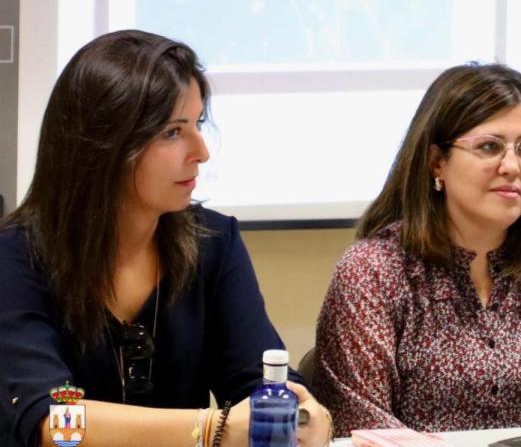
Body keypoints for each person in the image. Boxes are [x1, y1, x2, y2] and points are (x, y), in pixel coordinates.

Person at [0, 30, 332, 447]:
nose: (201, 151)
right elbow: (52, 422)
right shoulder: (16, 256)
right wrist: (214, 429)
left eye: (197, 124)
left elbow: (259, 384)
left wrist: (302, 416)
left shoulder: (213, 242)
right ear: (104, 146)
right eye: (173, 132)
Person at [313, 63, 521, 436]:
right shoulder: (374, 270)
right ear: (437, 162)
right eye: (490, 147)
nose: (512, 166)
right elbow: (361, 421)